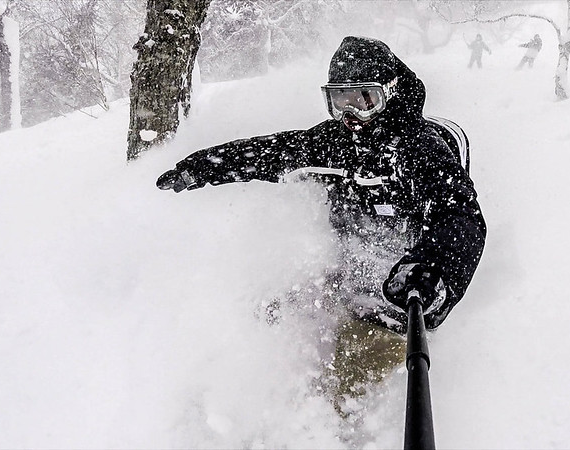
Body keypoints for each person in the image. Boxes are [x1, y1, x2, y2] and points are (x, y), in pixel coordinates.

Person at [157, 36, 487, 415]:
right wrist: (202, 167)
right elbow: (273, 153)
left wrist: (435, 266)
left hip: (402, 290)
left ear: (389, 95)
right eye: (338, 101)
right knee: (276, 315)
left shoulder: (421, 149)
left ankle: (334, 427)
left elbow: (460, 215)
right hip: (344, 269)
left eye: (364, 100)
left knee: (345, 380)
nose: (350, 115)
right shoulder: (336, 142)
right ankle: (248, 395)